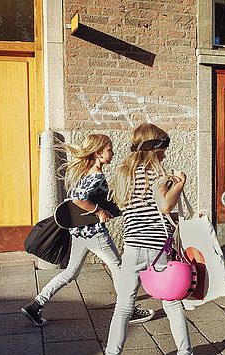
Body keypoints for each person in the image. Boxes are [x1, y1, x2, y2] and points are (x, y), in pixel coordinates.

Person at [88, 123, 205, 355]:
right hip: (156, 250)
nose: (165, 154)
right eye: (163, 149)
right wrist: (179, 184)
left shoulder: (123, 175)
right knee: (173, 303)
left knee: (124, 307)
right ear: (155, 148)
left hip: (132, 247)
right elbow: (164, 206)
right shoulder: (157, 174)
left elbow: (131, 208)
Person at [21, 134, 154, 326]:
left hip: (79, 232)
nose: (113, 153)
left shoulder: (86, 172)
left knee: (70, 273)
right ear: (99, 153)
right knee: (118, 268)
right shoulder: (96, 175)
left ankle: (36, 305)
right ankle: (129, 310)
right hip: (94, 233)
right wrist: (98, 211)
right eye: (109, 150)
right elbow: (78, 199)